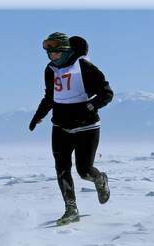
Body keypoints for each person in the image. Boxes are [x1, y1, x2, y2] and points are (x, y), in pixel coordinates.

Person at [29, 33, 113, 225]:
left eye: (56, 52)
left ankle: (100, 180)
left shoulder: (84, 67)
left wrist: (90, 106)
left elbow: (107, 93)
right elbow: (49, 96)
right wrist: (38, 116)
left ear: (66, 50)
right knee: (62, 169)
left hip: (87, 127)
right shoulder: (50, 70)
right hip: (60, 127)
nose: (52, 56)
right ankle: (71, 208)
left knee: (84, 171)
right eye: (49, 53)